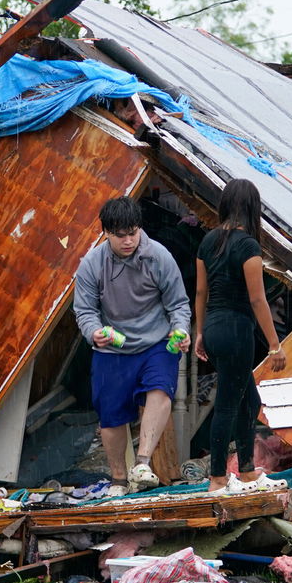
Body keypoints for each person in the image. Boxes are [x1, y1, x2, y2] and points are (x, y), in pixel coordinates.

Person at [74, 196, 192, 497]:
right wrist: (93, 332)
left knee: (160, 388)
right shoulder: (92, 264)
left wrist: (181, 330)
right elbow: (85, 310)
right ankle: (118, 479)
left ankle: (142, 463)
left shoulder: (159, 257)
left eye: (133, 232)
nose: (128, 240)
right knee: (110, 413)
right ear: (106, 233)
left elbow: (179, 303)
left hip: (156, 341)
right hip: (112, 345)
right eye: (120, 235)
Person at [193, 178, 287, 495]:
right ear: (252, 209)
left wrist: (200, 333)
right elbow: (258, 299)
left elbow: (201, 292)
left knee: (250, 401)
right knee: (228, 405)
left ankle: (246, 472)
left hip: (215, 328)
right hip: (236, 330)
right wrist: (275, 345)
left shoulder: (208, 242)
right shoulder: (248, 246)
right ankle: (218, 478)